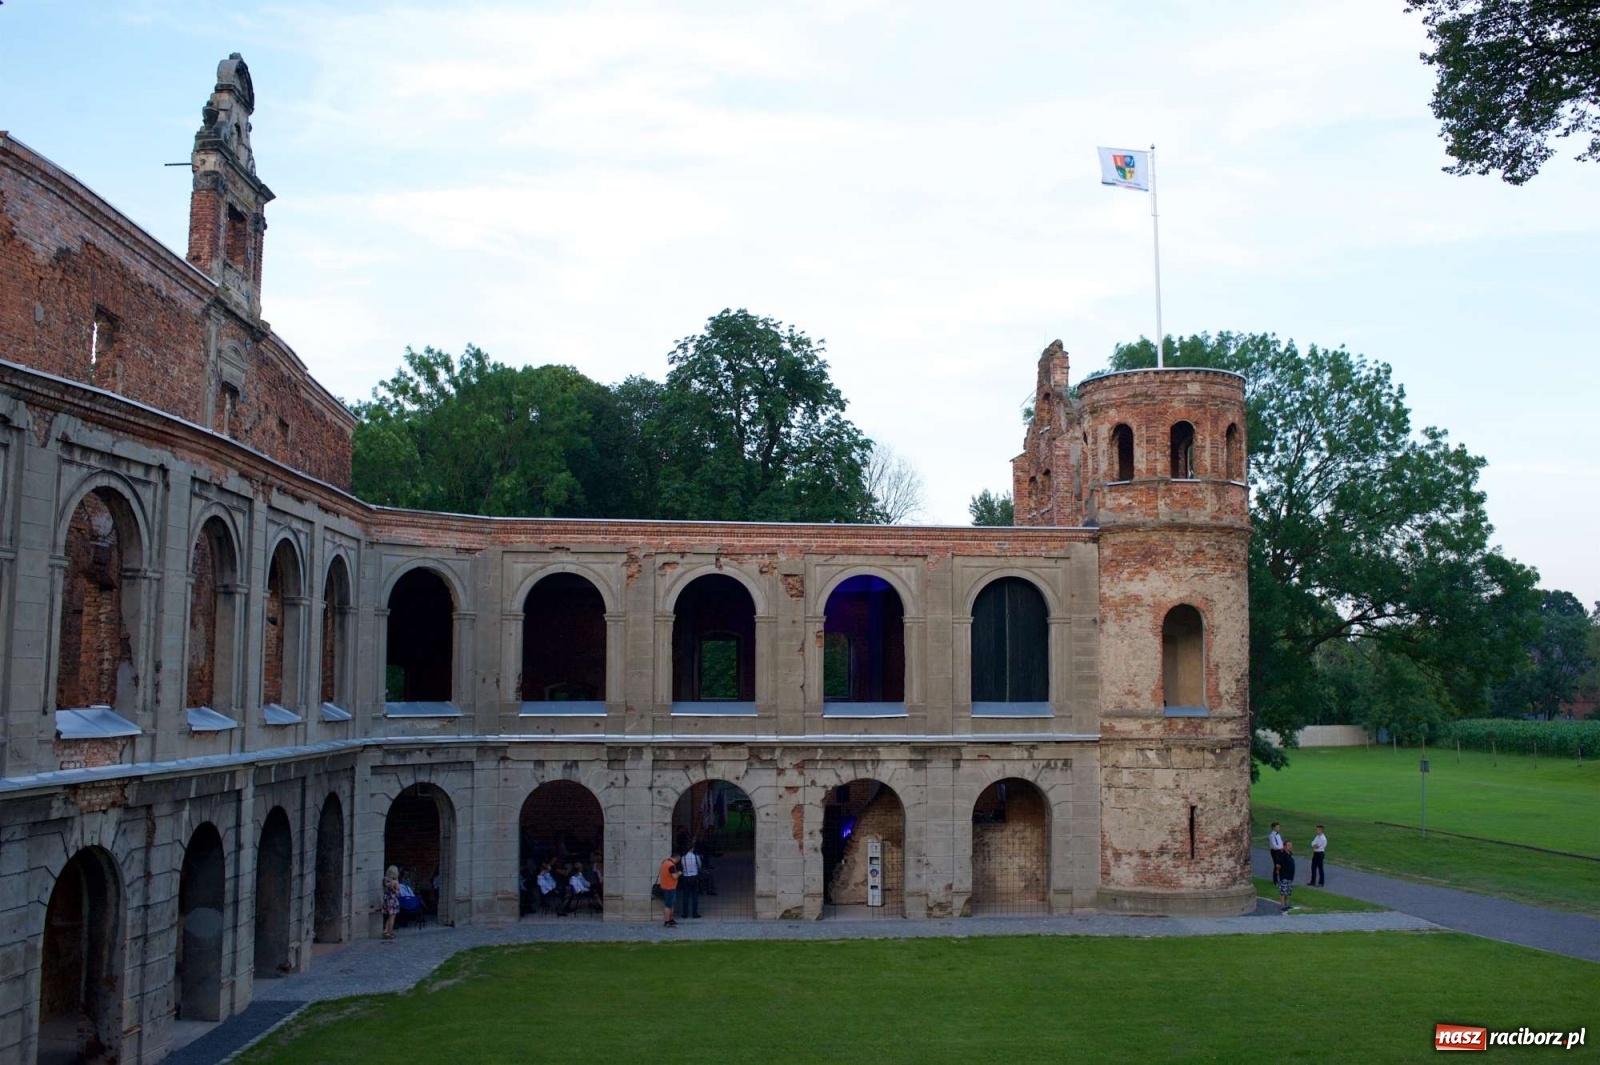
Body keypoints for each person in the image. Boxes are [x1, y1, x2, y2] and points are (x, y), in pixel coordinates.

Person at [678, 840, 703, 919]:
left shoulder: (683, 857)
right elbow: (699, 865)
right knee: (695, 896)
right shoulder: (696, 856)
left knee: (686, 896)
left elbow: (682, 866)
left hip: (686, 877)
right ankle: (694, 913)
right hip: (694, 877)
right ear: (692, 848)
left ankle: (685, 914)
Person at [658, 851, 682, 927]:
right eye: (678, 860)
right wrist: (679, 873)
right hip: (670, 887)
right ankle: (667, 921)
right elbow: (674, 876)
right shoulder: (671, 865)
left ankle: (671, 920)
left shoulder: (665, 862)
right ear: (677, 858)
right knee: (668, 905)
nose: (678, 862)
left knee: (671, 904)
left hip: (665, 886)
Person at [381, 865, 401, 940]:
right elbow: (398, 892)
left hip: (386, 899)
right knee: (392, 916)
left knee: (388, 916)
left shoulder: (384, 880)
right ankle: (390, 932)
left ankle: (385, 931)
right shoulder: (395, 882)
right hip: (392, 900)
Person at [1277, 841, 1297, 914]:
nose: (1290, 846)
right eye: (1288, 845)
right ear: (1284, 846)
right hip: (1284, 875)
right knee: (1283, 891)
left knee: (1288, 892)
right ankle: (1282, 906)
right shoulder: (1282, 855)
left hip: (1290, 876)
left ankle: (1287, 904)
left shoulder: (1290, 854)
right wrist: (1278, 871)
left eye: (1291, 845)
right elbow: (1278, 865)